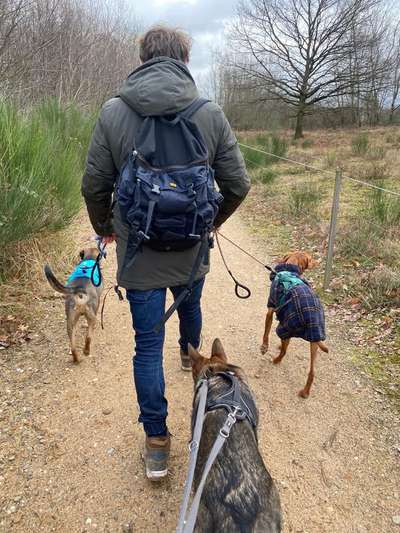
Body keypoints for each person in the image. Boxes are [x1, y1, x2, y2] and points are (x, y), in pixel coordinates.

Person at [81, 25, 250, 480]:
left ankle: (157, 443)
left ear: (143, 59)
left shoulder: (114, 113)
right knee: (191, 305)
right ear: (183, 60)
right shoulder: (209, 113)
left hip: (138, 255)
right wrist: (211, 223)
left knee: (145, 345)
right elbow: (238, 184)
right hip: (192, 252)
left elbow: (93, 186)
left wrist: (105, 229)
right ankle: (188, 354)